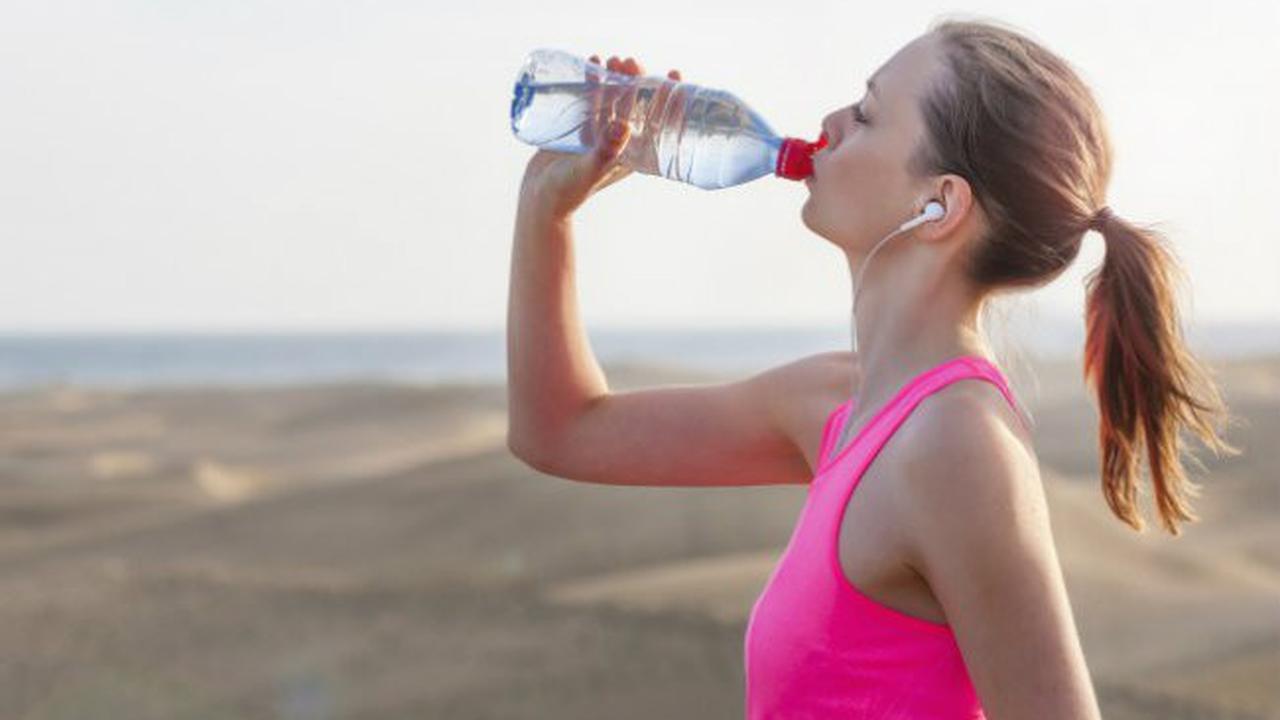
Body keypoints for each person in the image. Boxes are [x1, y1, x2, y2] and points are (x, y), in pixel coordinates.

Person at [506, 17, 1239, 720]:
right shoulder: (836, 399)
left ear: (939, 203)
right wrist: (547, 210)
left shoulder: (957, 447)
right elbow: (562, 431)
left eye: (866, 113)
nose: (829, 121)